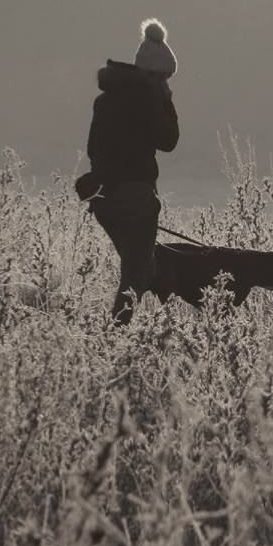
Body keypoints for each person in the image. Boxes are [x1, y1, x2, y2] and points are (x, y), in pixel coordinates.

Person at [78, 18, 180, 324]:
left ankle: (128, 335)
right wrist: (167, 105)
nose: (167, 84)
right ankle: (115, 338)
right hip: (136, 195)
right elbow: (169, 141)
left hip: (104, 197)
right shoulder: (149, 99)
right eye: (165, 78)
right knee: (137, 275)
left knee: (137, 268)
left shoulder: (105, 100)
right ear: (155, 75)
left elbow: (94, 149)